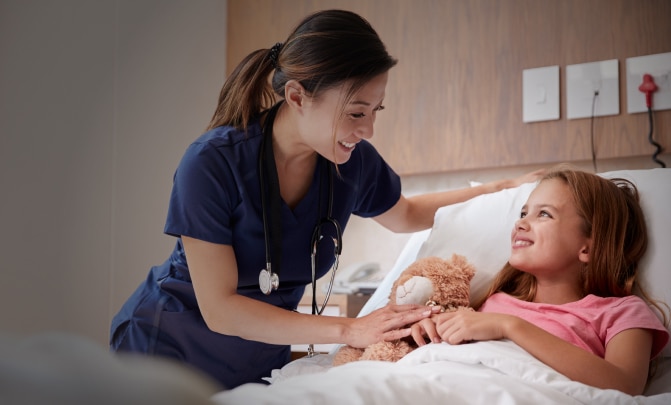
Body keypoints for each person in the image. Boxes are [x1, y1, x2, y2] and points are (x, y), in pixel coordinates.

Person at [110, 9, 542, 389]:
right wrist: (352, 329)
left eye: (376, 111)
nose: (369, 129)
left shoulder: (350, 163)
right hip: (166, 353)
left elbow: (405, 213)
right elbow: (221, 310)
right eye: (357, 112)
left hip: (257, 363)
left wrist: (498, 191)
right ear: (297, 96)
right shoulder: (211, 163)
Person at [410, 166, 670, 396]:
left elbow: (624, 386)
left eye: (544, 214)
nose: (521, 223)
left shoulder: (622, 312)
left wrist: (510, 326)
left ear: (587, 248)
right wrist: (433, 331)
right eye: (523, 213)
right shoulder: (495, 301)